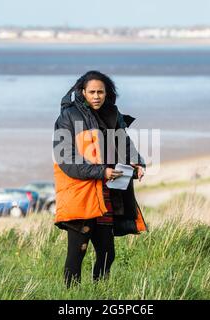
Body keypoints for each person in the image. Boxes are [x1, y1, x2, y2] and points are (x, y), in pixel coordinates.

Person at [52, 70, 148, 288]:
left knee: (107, 254)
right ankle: (71, 298)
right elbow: (66, 158)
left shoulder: (113, 115)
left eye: (100, 92)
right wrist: (100, 172)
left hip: (106, 195)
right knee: (77, 255)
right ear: (82, 92)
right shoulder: (67, 117)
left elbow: (124, 144)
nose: (96, 96)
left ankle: (100, 294)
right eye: (92, 92)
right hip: (80, 194)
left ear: (107, 93)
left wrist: (137, 163)